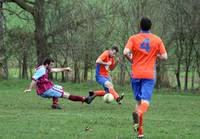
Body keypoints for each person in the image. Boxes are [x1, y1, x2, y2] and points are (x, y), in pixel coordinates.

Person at [123, 17, 168, 138]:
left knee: (138, 102)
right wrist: (156, 55)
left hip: (136, 73)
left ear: (140, 26)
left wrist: (132, 60)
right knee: (145, 102)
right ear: (150, 26)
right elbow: (165, 57)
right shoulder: (157, 39)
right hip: (148, 74)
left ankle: (140, 133)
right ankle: (138, 114)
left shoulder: (133, 38)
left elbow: (125, 52)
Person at [24, 58, 95, 109]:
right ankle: (85, 99)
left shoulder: (44, 68)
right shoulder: (42, 69)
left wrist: (65, 69)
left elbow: (54, 70)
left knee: (59, 87)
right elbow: (34, 79)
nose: (51, 66)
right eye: (51, 65)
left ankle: (55, 104)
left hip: (46, 88)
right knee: (66, 95)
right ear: (46, 64)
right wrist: (30, 89)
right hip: (46, 90)